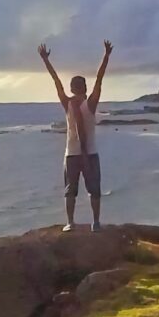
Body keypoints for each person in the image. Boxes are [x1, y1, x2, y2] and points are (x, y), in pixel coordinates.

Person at [38, 40, 112, 232]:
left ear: (72, 88)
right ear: (85, 88)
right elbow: (100, 79)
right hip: (91, 153)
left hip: (71, 153)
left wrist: (46, 60)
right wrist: (106, 56)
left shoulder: (67, 103)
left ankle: (70, 222)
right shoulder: (91, 103)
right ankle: (95, 223)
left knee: (70, 190)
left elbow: (56, 81)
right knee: (94, 189)